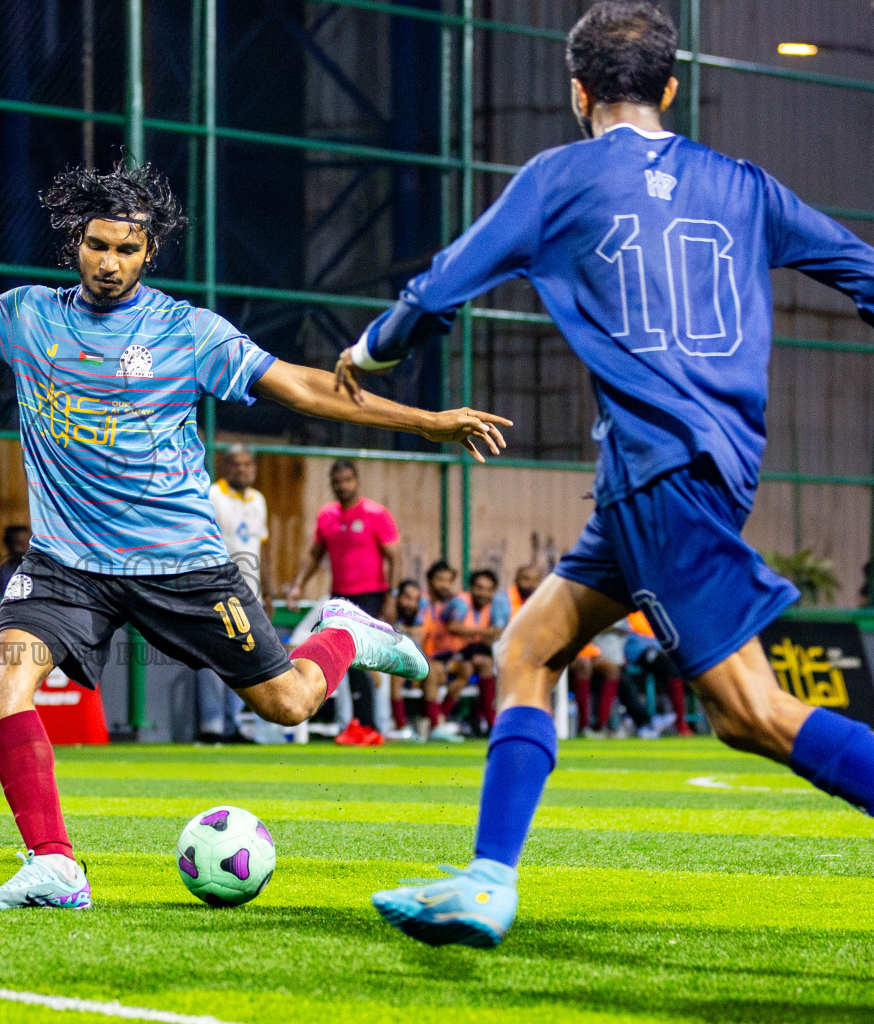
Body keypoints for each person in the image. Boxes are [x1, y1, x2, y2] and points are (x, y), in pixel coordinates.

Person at [350, 2, 874, 948]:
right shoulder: (744, 183)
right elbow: (862, 272)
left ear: (577, 89)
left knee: (751, 715)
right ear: (672, 88)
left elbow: (439, 289)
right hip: (705, 471)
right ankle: (487, 880)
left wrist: (371, 351)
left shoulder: (559, 178)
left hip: (656, 473)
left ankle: (486, 883)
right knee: (528, 648)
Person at [0, 151, 508, 910]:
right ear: (75, 241)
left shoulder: (186, 330)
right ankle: (54, 865)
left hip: (183, 567)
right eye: (97, 245)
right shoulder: (28, 316)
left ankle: (341, 632)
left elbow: (301, 387)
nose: (110, 263)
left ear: (151, 251)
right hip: (67, 564)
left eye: (127, 249)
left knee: (288, 704)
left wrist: (425, 421)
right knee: (5, 677)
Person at [287, 460, 400, 745]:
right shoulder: (327, 516)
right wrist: (299, 584)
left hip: (371, 595)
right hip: (340, 598)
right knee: (348, 661)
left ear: (357, 481)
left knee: (359, 659)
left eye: (348, 480)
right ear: (332, 483)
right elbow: (315, 554)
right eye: (337, 481)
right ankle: (360, 726)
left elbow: (394, 557)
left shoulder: (376, 514)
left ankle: (369, 726)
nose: (343, 485)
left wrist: (392, 597)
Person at [197, 446, 269, 743]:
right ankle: (211, 726)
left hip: (251, 594)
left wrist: (269, 591)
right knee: (213, 660)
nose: (243, 469)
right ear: (226, 466)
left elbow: (262, 547)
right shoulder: (213, 495)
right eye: (236, 464)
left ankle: (235, 724)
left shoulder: (258, 500)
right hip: (217, 591)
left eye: (247, 464)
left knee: (245, 660)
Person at [440, 569, 510, 735]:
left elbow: (497, 633)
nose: (483, 593)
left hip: (467, 655)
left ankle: (484, 720)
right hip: (444, 653)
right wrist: (486, 633)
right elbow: (453, 627)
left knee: (484, 665)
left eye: (488, 589)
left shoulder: (493, 606)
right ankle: (441, 718)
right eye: (479, 588)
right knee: (477, 666)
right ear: (470, 588)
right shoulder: (461, 602)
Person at [417, 561, 471, 741]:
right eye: (440, 579)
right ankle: (436, 725)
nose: (444, 585)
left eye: (449, 581)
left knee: (466, 669)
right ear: (430, 580)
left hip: (444, 658)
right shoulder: (421, 601)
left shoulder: (454, 604)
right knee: (433, 671)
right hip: (420, 657)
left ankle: (439, 718)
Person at [385, 579, 427, 740]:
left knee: (433, 671)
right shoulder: (387, 612)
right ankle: (400, 726)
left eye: (415, 600)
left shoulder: (417, 616)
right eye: (407, 598)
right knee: (397, 675)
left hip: (409, 663)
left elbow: (420, 637)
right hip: (385, 664)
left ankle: (435, 725)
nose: (411, 604)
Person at [0, 525, 33, 597]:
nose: (27, 547)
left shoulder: (41, 570)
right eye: (19, 543)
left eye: (29, 542)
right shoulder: (0, 574)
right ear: (10, 545)